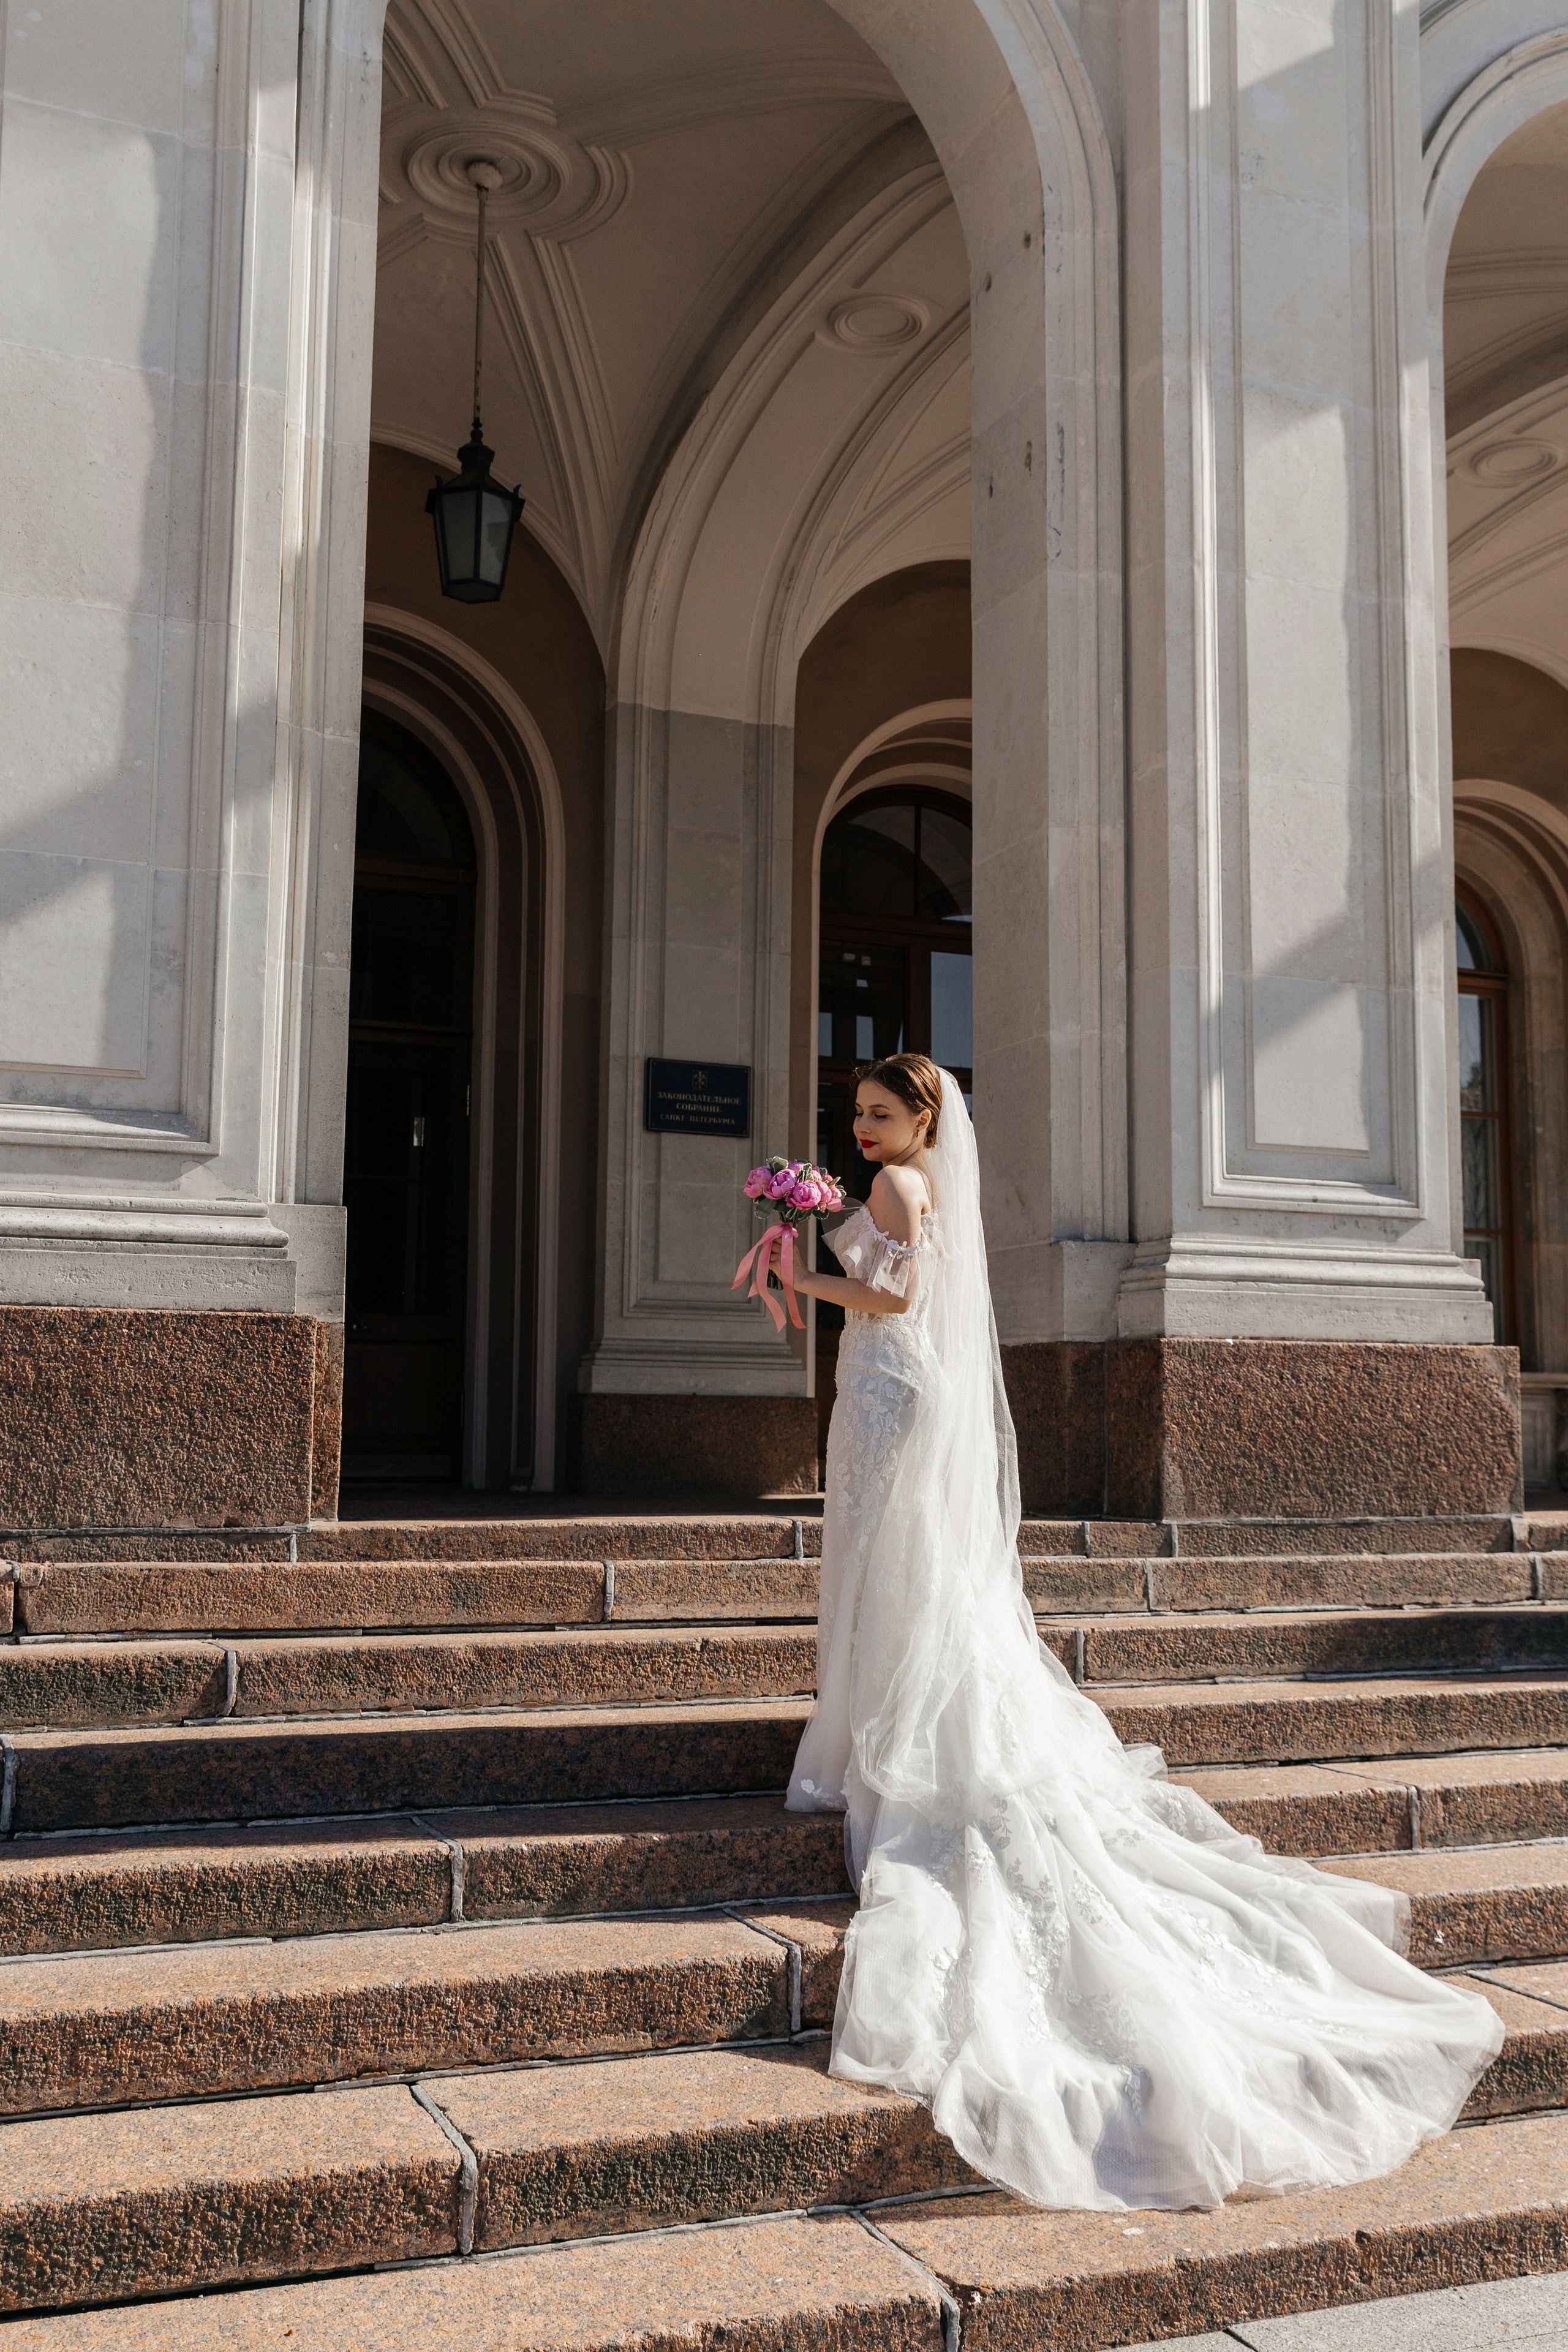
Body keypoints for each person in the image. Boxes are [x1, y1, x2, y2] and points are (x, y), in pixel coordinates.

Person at [758, 1052, 1502, 2212]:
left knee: (890, 1568)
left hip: (889, 1390)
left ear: (925, 1119)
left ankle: (878, 1729)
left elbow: (897, 1298)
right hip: (889, 1391)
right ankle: (875, 1715)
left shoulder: (902, 1191)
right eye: (857, 1114)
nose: (863, 1129)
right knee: (898, 1572)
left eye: (882, 1113)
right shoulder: (907, 1186)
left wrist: (806, 1279)